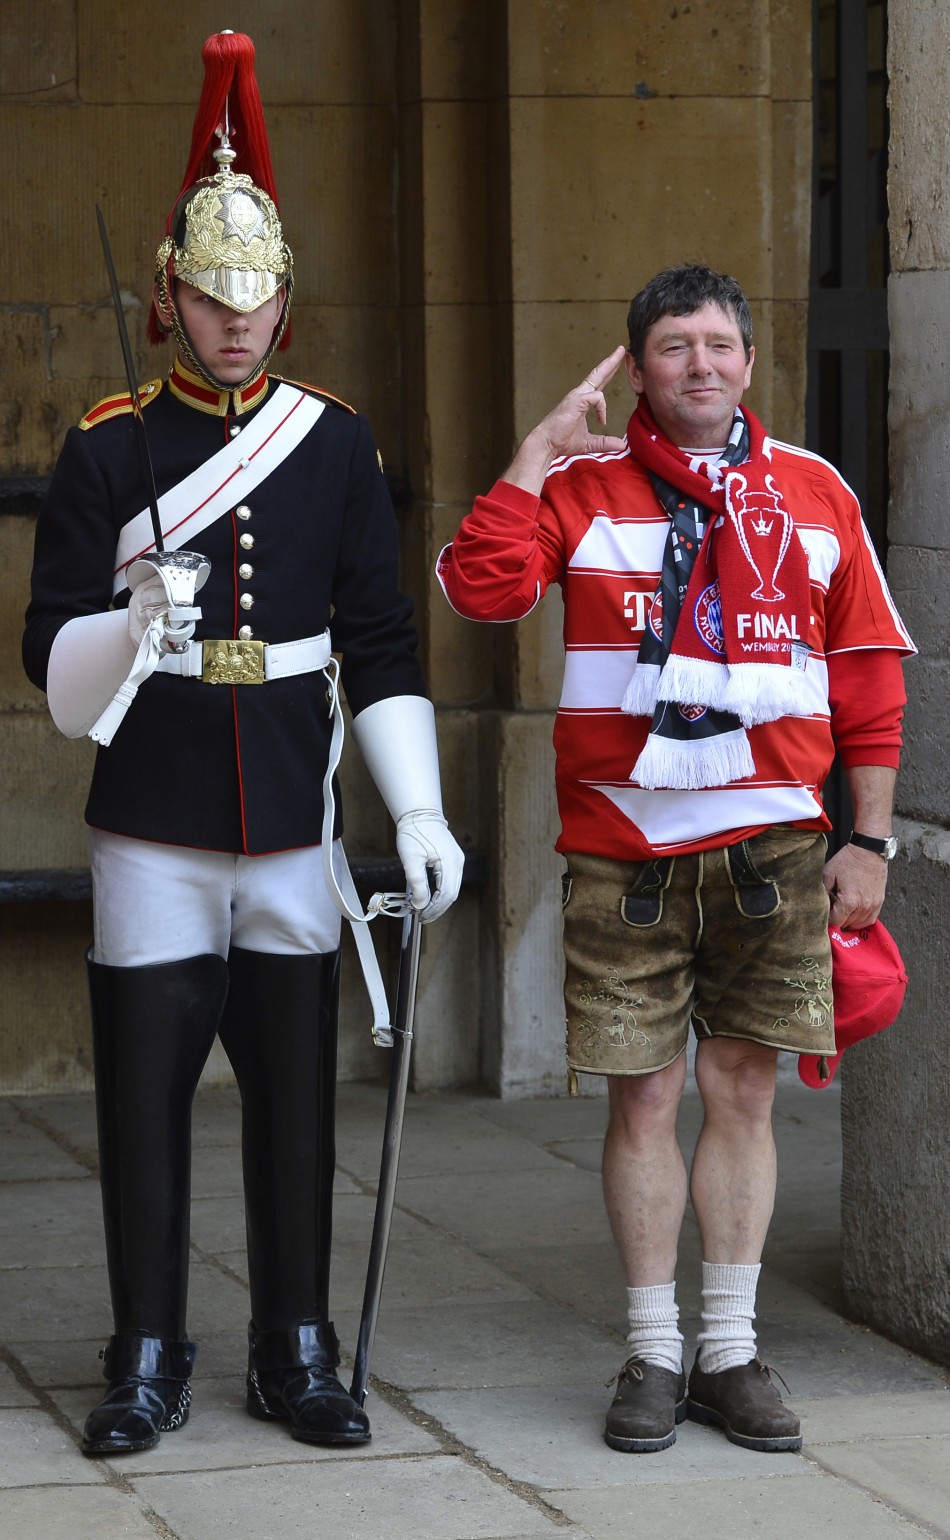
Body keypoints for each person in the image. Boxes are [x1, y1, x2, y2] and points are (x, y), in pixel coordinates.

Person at [22, 32, 463, 1458]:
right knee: (144, 1108)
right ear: (172, 297)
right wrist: (137, 623)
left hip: (291, 817)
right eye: (209, 295)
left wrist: (422, 813)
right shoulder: (104, 448)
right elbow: (54, 672)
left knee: (293, 1112)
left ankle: (297, 1347)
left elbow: (379, 643)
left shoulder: (334, 445)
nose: (233, 319)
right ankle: (145, 1350)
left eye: (255, 293)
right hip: (152, 815)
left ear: (285, 300)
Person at [437, 263, 913, 1455]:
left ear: (748, 361)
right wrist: (529, 454)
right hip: (625, 848)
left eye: (717, 344)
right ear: (638, 366)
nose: (699, 363)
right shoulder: (581, 485)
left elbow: (864, 678)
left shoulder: (812, 491)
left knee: (741, 1095)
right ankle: (651, 1352)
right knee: (642, 1096)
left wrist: (867, 837)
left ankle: (728, 1349)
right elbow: (478, 591)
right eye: (671, 347)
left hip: (775, 844)